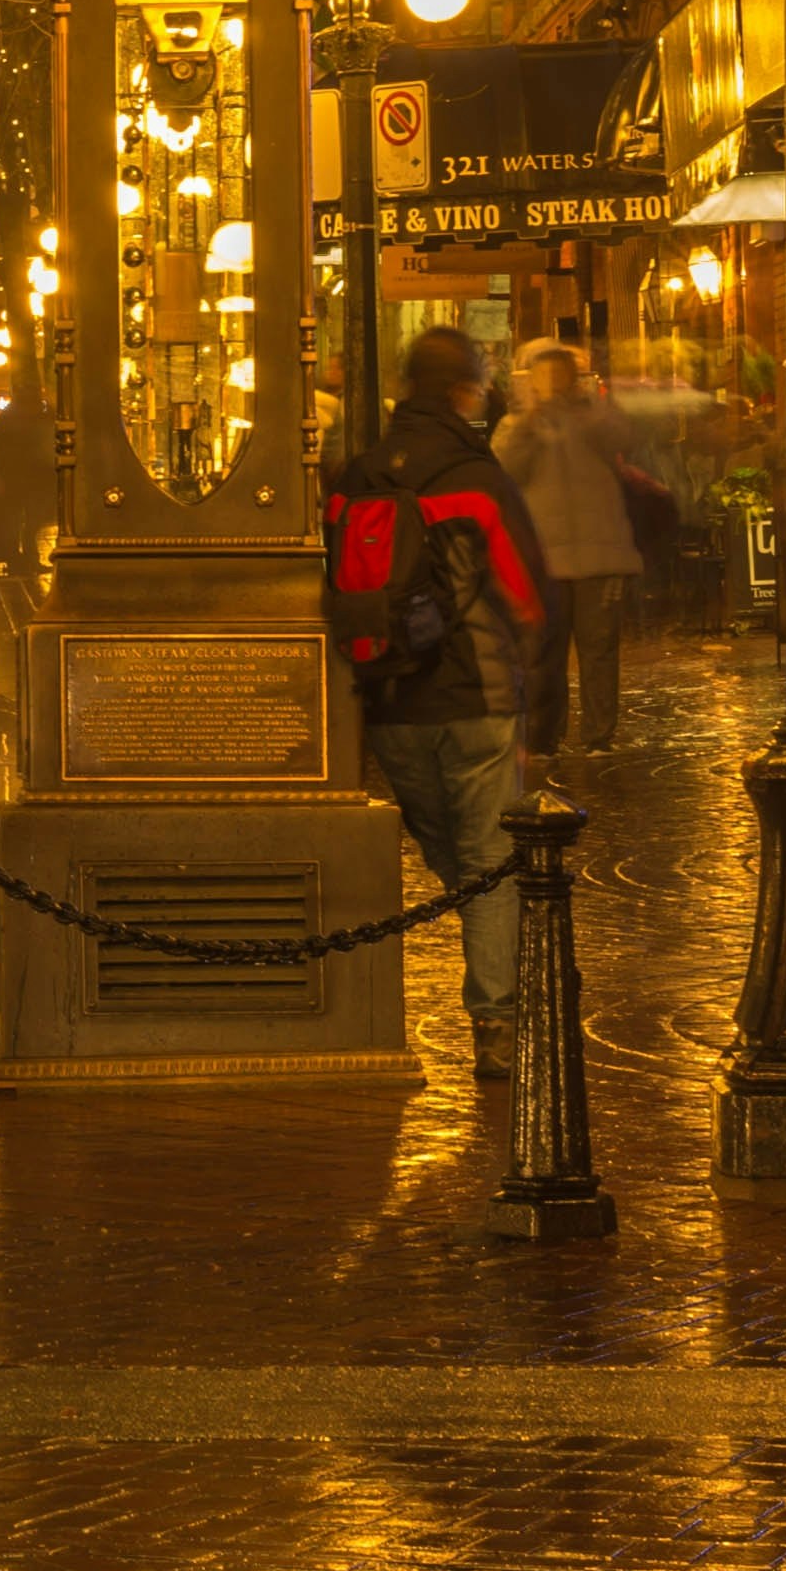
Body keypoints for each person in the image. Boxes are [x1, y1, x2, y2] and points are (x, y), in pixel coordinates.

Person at [325, 327, 549, 1081]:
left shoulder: (354, 479)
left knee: (452, 857)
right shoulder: (476, 478)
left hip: (391, 699)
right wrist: (534, 687)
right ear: (466, 390)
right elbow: (524, 592)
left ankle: (502, 955)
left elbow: (339, 589)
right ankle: (496, 1021)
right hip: (476, 697)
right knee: (489, 859)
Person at [498, 341, 647, 754]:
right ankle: (548, 735)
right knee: (547, 652)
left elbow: (623, 437)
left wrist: (586, 400)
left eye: (561, 375)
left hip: (599, 554)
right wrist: (532, 415)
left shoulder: (594, 416)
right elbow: (507, 469)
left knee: (597, 650)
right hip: (547, 558)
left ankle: (598, 736)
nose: (555, 384)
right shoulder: (517, 424)